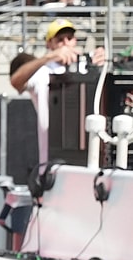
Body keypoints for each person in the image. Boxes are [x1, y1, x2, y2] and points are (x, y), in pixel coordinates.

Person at [10, 19, 105, 167]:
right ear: (50, 44)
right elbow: (16, 81)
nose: (66, 43)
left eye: (69, 38)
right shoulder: (42, 71)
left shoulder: (87, 65)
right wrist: (49, 57)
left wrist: (102, 61)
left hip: (90, 156)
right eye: (60, 40)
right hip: (53, 160)